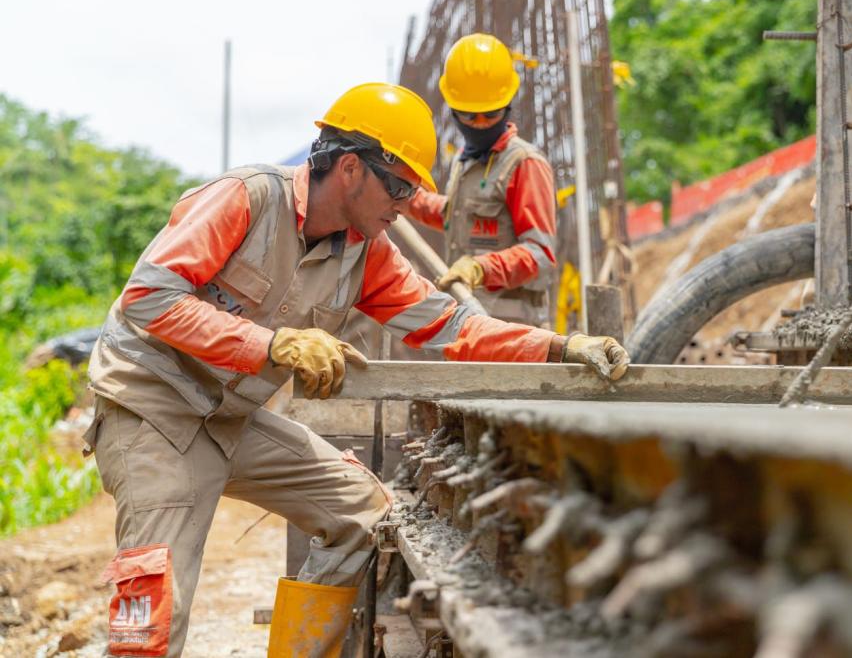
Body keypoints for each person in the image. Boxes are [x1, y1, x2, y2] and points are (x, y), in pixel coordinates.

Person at [83, 82, 629, 657]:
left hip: (228, 419)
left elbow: (452, 327)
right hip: (153, 413)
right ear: (349, 169)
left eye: (412, 190)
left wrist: (562, 346)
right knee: (153, 616)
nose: (405, 204)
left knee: (359, 512)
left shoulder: (365, 250)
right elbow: (149, 296)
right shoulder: (246, 198)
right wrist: (273, 345)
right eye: (398, 187)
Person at [407, 32, 558, 327]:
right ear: (453, 109)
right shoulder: (467, 161)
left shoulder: (524, 163)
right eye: (469, 116)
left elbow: (540, 254)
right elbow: (457, 217)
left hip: (514, 328)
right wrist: (406, 197)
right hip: (470, 320)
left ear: (507, 105)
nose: (480, 124)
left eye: (490, 114)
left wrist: (481, 268)